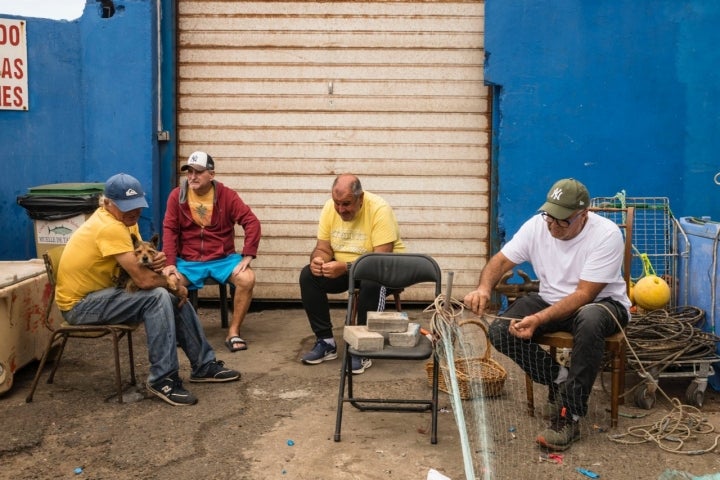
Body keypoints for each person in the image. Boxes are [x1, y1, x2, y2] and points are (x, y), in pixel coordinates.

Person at [463, 178, 630, 451]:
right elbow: (501, 261)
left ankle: (570, 415)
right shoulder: (537, 226)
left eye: (563, 221)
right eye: (550, 217)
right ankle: (560, 380)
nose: (553, 225)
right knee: (500, 331)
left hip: (602, 304)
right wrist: (483, 288)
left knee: (589, 319)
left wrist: (539, 319)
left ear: (583, 215)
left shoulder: (607, 234)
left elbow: (583, 295)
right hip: (550, 298)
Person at [56, 173, 240, 407]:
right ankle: (163, 378)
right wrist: (175, 285)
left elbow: (146, 268)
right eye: (126, 208)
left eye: (137, 207)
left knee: (167, 295)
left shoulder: (126, 224)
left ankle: (203, 365)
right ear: (107, 203)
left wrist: (160, 267)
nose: (134, 213)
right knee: (157, 296)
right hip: (81, 306)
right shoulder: (109, 227)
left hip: (105, 295)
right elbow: (144, 281)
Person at [299, 173, 406, 374]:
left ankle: (363, 347)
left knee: (371, 281)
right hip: (345, 268)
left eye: (346, 204)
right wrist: (318, 260)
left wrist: (345, 267)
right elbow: (323, 247)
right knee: (308, 276)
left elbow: (379, 260)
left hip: (384, 270)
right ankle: (326, 342)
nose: (340, 210)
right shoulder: (330, 208)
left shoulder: (380, 209)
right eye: (337, 203)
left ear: (361, 198)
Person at [162, 151, 261, 353]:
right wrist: (170, 263)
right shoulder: (176, 196)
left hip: (222, 259)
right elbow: (170, 230)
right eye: (189, 171)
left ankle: (233, 332)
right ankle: (183, 331)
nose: (192, 177)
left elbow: (251, 222)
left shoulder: (227, 195)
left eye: (198, 172)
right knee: (167, 284)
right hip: (188, 261)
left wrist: (248, 254)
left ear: (211, 175)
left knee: (247, 278)